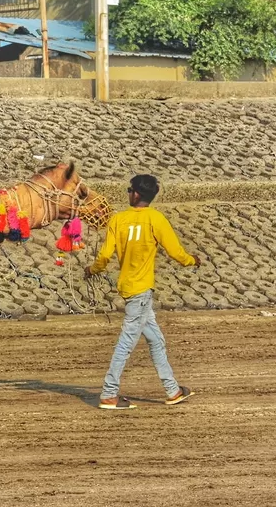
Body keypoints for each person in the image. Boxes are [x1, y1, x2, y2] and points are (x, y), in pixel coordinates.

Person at [85, 174, 199, 410]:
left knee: (156, 340)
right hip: (142, 291)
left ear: (136, 194)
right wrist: (192, 261)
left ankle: (172, 390)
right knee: (126, 343)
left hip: (129, 289)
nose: (128, 193)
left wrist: (92, 269)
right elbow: (176, 253)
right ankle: (108, 393)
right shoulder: (156, 219)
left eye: (129, 190)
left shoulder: (118, 220)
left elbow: (104, 256)